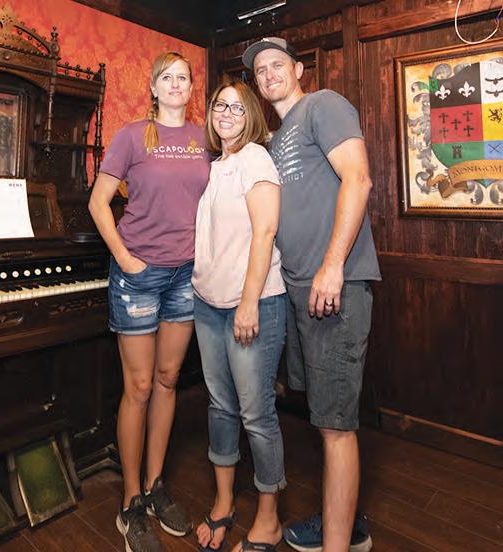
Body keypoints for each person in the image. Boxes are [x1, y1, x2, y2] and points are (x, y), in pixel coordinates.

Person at [242, 37, 381, 552]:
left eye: (277, 64)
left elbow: (358, 179)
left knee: (336, 426)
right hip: (300, 291)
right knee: (324, 418)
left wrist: (332, 265)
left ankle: (338, 544)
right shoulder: (277, 139)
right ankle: (340, 522)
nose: (269, 74)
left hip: (333, 286)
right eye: (260, 70)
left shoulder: (323, 104)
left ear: (299, 69)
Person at [88, 52, 210, 552]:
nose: (176, 84)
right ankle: (130, 501)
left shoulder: (205, 138)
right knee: (138, 386)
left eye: (184, 77)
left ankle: (156, 485)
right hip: (138, 276)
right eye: (167, 77)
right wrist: (125, 258)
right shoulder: (132, 135)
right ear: (154, 88)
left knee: (168, 380)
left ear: (191, 88)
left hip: (186, 276)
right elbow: (98, 202)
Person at [192, 78, 287, 552]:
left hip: (253, 304)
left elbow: (265, 231)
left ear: (250, 114)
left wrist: (249, 302)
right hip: (207, 304)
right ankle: (224, 501)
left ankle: (269, 519)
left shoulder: (255, 158)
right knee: (220, 406)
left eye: (235, 106)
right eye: (218, 105)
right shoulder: (216, 166)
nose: (225, 113)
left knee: (256, 414)